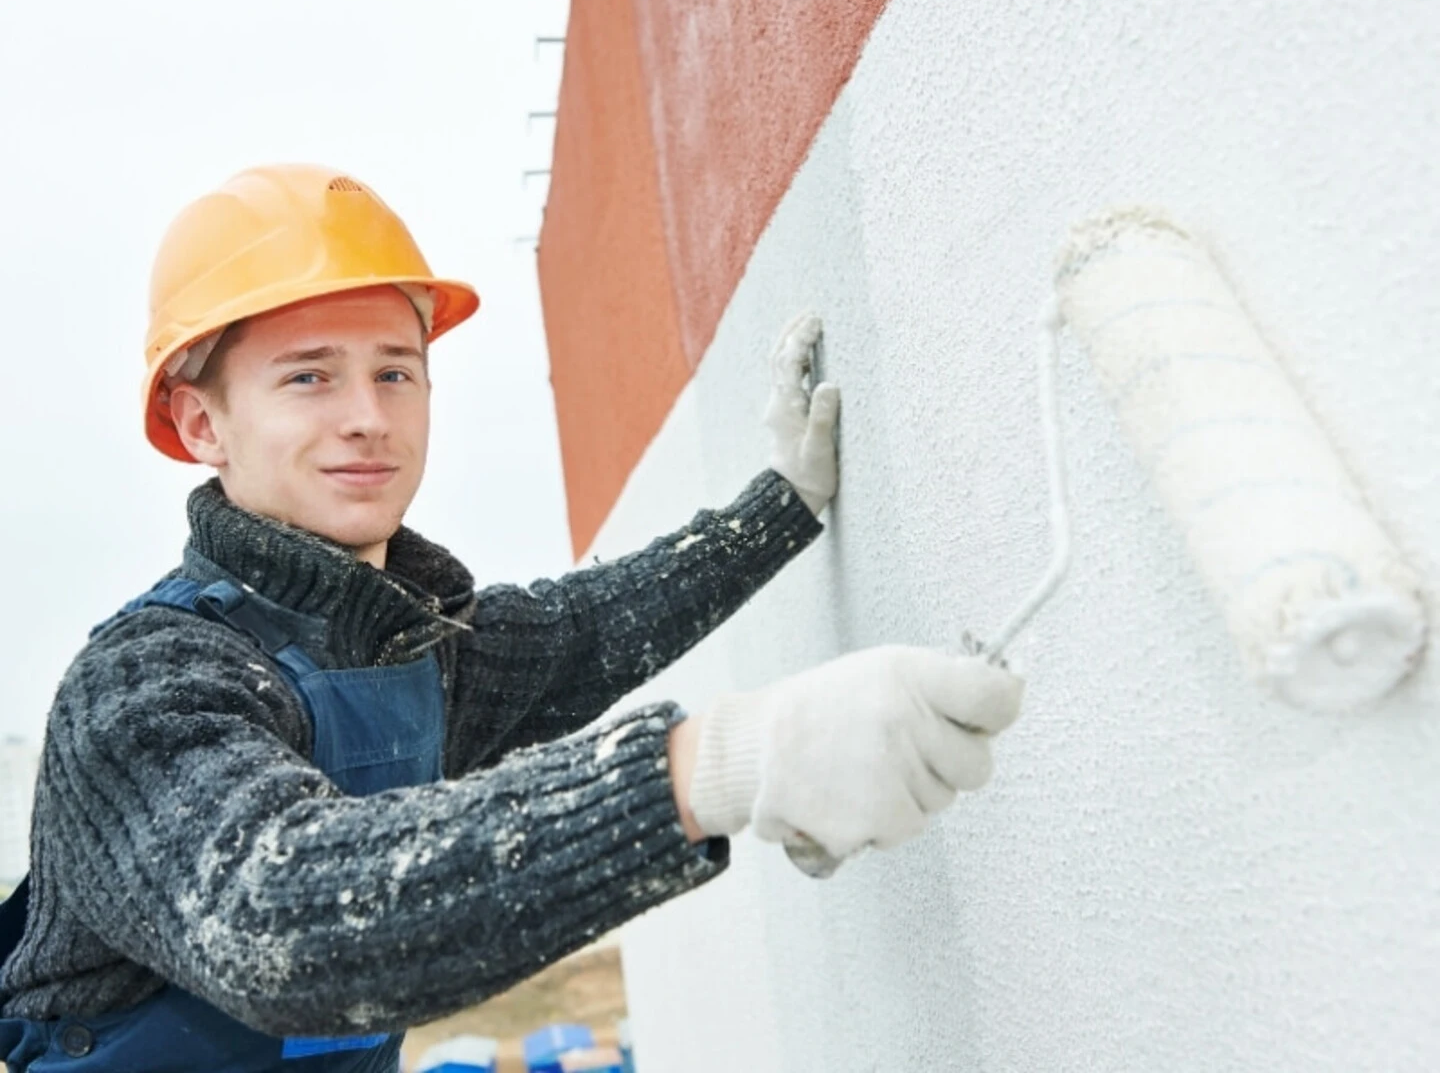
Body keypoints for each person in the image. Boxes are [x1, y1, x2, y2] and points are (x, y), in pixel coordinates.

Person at [0, 164, 1023, 1072]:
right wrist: (721, 765)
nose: (367, 414)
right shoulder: (144, 685)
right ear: (201, 421)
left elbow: (593, 626)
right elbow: (274, 920)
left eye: (395, 371)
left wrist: (783, 507)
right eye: (309, 375)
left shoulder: (416, 651)